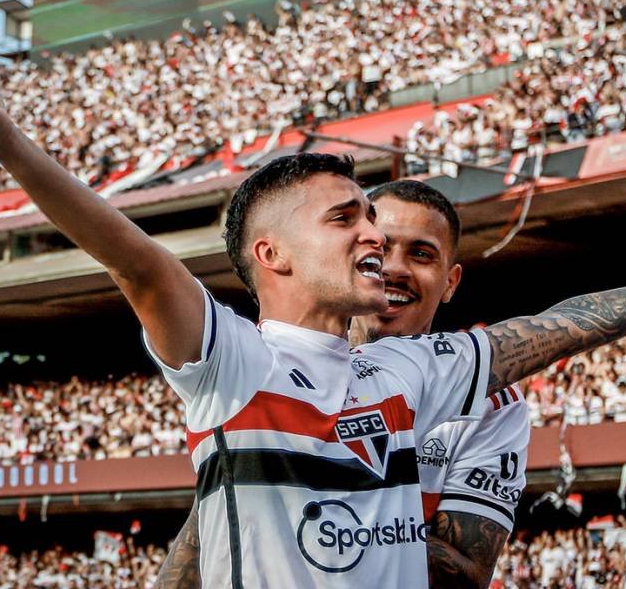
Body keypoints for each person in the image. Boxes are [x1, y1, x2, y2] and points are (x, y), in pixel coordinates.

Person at [0, 21, 626, 588]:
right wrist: (8, 143)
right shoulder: (230, 360)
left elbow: (550, 329)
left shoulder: (409, 369)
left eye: (381, 220)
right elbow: (133, 259)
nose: (373, 235)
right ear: (270, 254)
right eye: (349, 219)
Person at [155, 180, 530, 589]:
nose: (394, 268)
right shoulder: (267, 368)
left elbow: (467, 572)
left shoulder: (494, 401)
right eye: (381, 249)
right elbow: (212, 523)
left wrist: (325, 509)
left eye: (421, 254)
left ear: (450, 282)